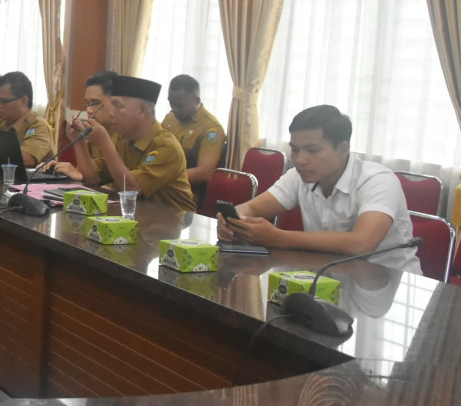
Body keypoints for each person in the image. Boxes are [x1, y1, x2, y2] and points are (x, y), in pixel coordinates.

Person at [217, 105, 418, 272]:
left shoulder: (378, 180)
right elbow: (249, 208)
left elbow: (361, 244)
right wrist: (233, 222)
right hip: (328, 276)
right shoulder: (298, 176)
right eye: (295, 150)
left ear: (342, 149)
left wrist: (276, 237)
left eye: (312, 150)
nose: (300, 160)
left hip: (387, 284)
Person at [79, 74, 197, 211]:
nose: (111, 113)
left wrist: (105, 144)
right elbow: (92, 177)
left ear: (142, 111)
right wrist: (79, 141)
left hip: (175, 222)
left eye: (118, 106)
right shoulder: (122, 139)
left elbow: (132, 189)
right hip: (140, 216)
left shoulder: (167, 146)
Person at [161, 74, 226, 197]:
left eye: (179, 105)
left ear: (196, 100)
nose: (174, 108)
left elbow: (204, 172)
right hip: (160, 187)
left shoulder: (211, 129)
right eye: (171, 103)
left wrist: (163, 178)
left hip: (187, 193)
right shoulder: (170, 118)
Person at [47, 70, 117, 182]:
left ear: (116, 102)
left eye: (95, 103)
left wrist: (80, 175)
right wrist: (78, 140)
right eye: (87, 104)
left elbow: (126, 186)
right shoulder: (95, 131)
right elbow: (91, 177)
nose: (89, 110)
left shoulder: (125, 135)